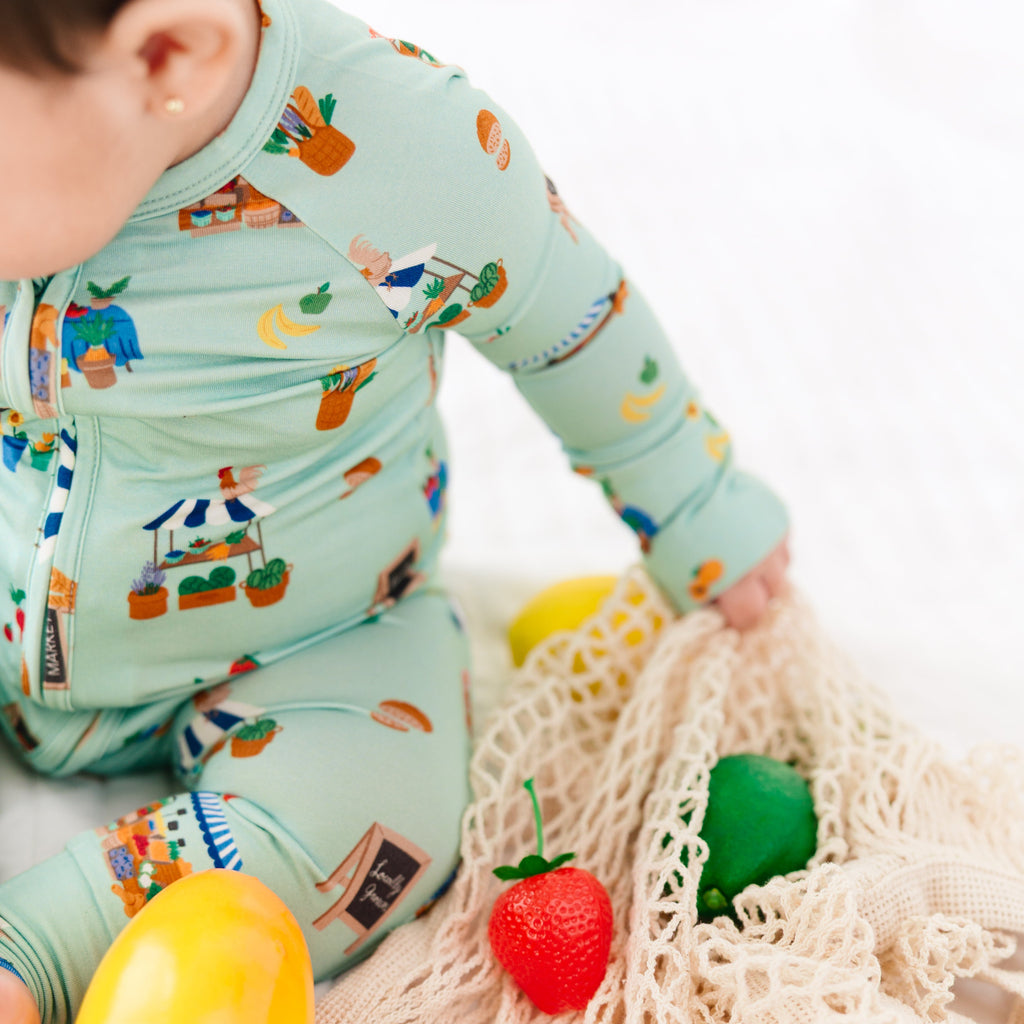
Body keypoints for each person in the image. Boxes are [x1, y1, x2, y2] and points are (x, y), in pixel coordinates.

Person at [0, 0, 790, 1019]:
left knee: (380, 828)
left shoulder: (407, 154)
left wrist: (695, 503)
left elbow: (568, 320)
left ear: (167, 54)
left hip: (313, 636)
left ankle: (38, 945)